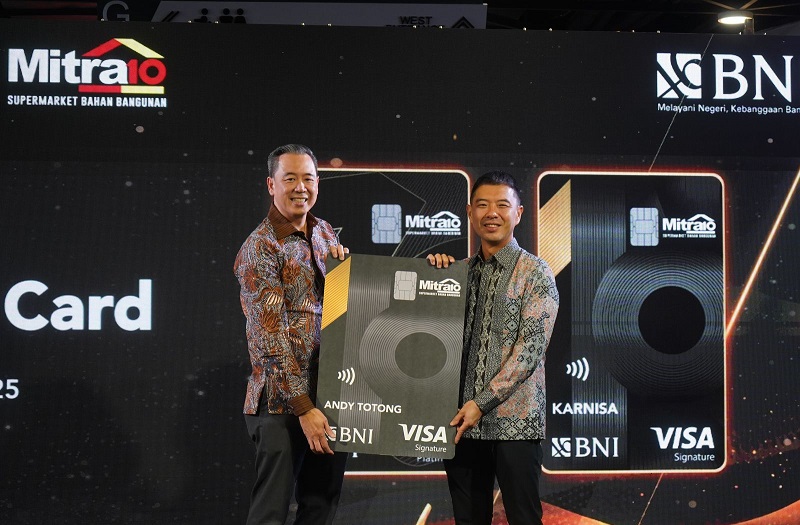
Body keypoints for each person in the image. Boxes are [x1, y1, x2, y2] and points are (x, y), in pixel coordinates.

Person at [427, 171, 559, 525]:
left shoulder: (536, 272)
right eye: (483, 205)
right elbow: (425, 334)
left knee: (524, 518)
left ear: (518, 213)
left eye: (502, 204)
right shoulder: (458, 274)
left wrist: (480, 403)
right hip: (462, 424)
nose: (492, 213)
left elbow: (530, 351)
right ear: (469, 212)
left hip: (515, 424)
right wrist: (433, 276)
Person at [234, 144, 349, 525]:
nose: (301, 187)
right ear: (271, 185)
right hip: (280, 405)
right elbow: (269, 340)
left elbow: (340, 306)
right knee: (271, 513)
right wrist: (304, 407)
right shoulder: (260, 248)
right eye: (290, 179)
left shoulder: (324, 232)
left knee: (320, 507)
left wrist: (348, 274)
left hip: (329, 394)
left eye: (309, 179)